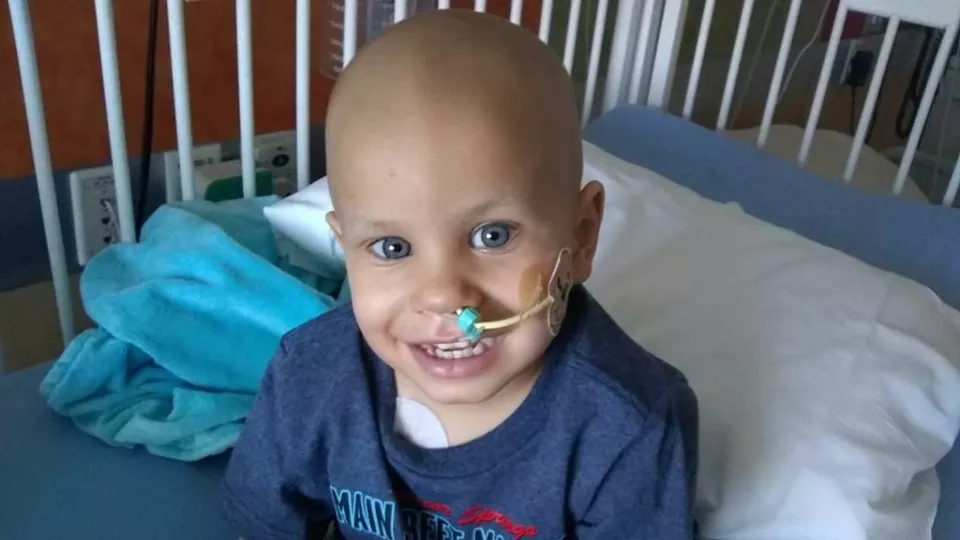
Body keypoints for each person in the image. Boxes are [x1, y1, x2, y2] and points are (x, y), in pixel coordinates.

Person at [222, 9, 698, 539]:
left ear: (581, 236)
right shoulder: (308, 376)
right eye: (391, 246)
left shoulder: (628, 425)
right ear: (346, 249)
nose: (444, 295)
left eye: (492, 236)